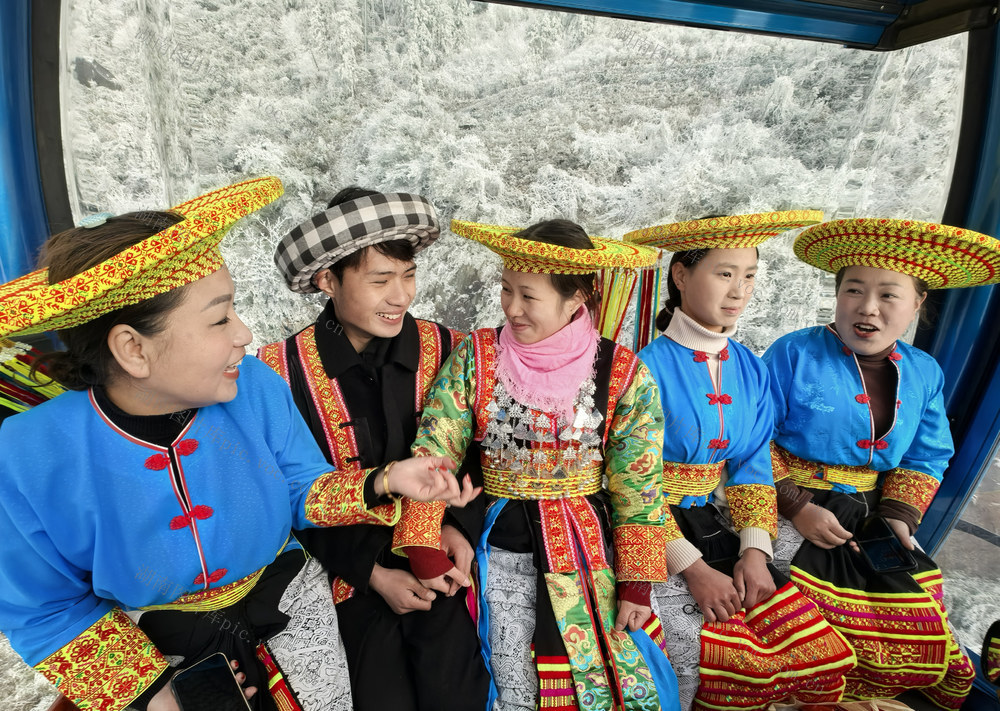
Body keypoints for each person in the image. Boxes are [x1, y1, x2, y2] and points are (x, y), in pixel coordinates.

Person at [0, 177, 474, 711]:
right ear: (133, 349)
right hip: (155, 647)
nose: (244, 333)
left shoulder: (255, 387)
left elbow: (300, 488)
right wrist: (155, 697)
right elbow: (43, 608)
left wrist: (385, 480)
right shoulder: (25, 455)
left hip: (294, 606)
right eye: (220, 318)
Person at [392, 217, 680, 711]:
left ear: (576, 299)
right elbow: (435, 447)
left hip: (589, 546)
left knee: (605, 676)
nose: (511, 308)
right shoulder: (478, 357)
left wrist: (636, 581)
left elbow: (639, 481)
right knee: (511, 676)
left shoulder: (622, 372)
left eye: (528, 296)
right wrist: (422, 542)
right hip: (499, 541)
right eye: (506, 290)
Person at [260, 186, 489, 710]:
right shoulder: (277, 372)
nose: (401, 296)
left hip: (445, 570)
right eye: (380, 280)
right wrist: (372, 573)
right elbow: (286, 492)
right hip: (347, 581)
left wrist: (457, 526)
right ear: (328, 280)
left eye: (408, 276)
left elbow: (478, 455)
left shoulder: (451, 349)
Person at [763, 217, 1000, 709]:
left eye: (889, 294)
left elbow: (926, 454)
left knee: (923, 627)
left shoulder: (925, 372)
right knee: (815, 623)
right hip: (786, 503)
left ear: (918, 304)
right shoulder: (793, 353)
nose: (867, 307)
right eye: (853, 290)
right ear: (837, 295)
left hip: (874, 513)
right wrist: (796, 506)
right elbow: (751, 438)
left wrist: (898, 516)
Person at [625, 212, 856, 711]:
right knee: (694, 649)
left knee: (803, 627)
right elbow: (632, 484)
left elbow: (752, 462)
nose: (739, 291)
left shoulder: (750, 367)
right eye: (725, 273)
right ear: (681, 275)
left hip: (717, 515)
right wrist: (691, 568)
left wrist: (755, 551)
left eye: (749, 276)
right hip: (649, 525)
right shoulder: (641, 368)